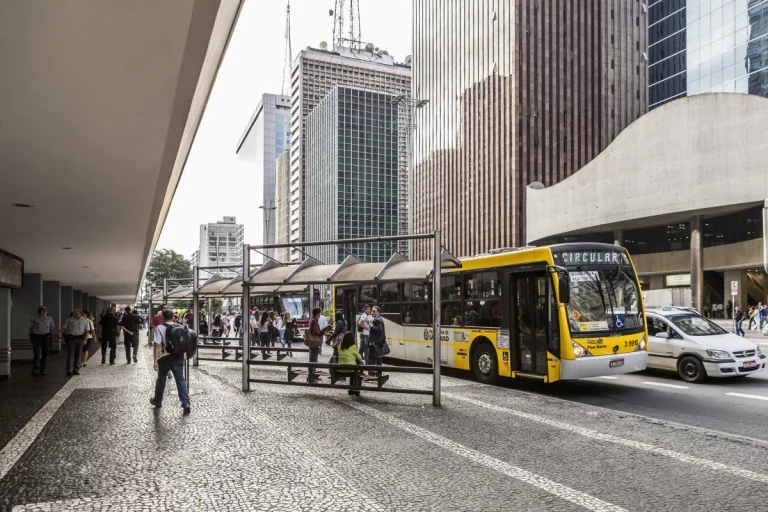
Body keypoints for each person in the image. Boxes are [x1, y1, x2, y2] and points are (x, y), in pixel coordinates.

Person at [150, 310, 192, 414]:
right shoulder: (179, 326)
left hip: (165, 358)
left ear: (162, 317)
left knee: (161, 380)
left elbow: (157, 345)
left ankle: (158, 401)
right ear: (173, 317)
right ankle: (185, 403)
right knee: (180, 379)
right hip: (178, 356)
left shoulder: (159, 328)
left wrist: (155, 360)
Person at [58, 309, 92, 376]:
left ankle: (76, 369)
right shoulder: (69, 320)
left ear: (80, 313)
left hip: (80, 339)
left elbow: (87, 331)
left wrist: (85, 339)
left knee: (78, 354)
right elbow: (64, 328)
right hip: (71, 339)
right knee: (70, 354)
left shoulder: (85, 321)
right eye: (74, 313)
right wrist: (59, 332)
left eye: (77, 313)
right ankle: (69, 370)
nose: (76, 315)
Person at [29, 306, 55, 376]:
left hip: (45, 337)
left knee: (45, 354)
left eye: (45, 311)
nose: (44, 312)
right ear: (39, 311)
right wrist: (35, 333)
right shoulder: (34, 318)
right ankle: (36, 369)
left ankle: (42, 369)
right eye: (43, 311)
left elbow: (51, 327)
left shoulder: (49, 318)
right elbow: (31, 328)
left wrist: (48, 334)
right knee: (37, 353)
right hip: (37, 337)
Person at [337, 331, 364, 396]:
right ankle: (356, 389)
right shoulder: (353, 347)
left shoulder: (340, 346)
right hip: (351, 370)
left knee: (353, 369)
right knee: (359, 369)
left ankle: (351, 389)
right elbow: (360, 358)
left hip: (340, 370)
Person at [306, 307, 324, 381]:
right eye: (320, 313)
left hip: (312, 342)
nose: (320, 314)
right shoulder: (314, 321)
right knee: (313, 359)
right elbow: (314, 332)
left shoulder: (312, 319)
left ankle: (312, 375)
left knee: (312, 358)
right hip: (314, 342)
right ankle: (311, 376)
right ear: (318, 313)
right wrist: (322, 332)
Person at [368, 306, 386, 371]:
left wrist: (371, 326)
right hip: (377, 343)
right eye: (372, 311)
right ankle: (378, 374)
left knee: (371, 359)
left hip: (375, 343)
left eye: (373, 311)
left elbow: (380, 329)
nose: (371, 312)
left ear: (378, 312)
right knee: (378, 359)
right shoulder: (378, 319)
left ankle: (371, 374)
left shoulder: (377, 319)